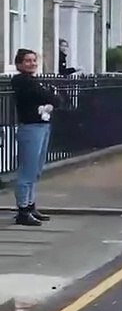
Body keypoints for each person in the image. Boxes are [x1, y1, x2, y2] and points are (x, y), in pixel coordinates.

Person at [11, 49, 60, 226]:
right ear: (19, 64)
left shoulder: (34, 81)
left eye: (34, 60)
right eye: (27, 61)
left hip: (42, 125)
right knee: (27, 170)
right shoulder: (22, 81)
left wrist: (51, 98)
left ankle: (31, 206)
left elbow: (56, 100)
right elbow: (49, 97)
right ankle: (23, 210)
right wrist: (50, 97)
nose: (32, 63)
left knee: (36, 170)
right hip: (31, 128)